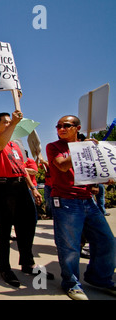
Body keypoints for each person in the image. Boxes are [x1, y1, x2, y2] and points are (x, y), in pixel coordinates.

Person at [46, 115, 115, 300]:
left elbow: (92, 173)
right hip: (66, 201)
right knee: (70, 246)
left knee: (106, 241)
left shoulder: (89, 146)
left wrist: (105, 177)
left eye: (66, 125)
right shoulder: (54, 147)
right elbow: (61, 166)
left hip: (87, 200)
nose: (61, 128)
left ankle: (100, 278)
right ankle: (71, 283)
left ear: (78, 128)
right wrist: (83, 149)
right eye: (58, 125)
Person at [0, 111, 52, 288]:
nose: (9, 124)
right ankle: (5, 268)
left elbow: (21, 168)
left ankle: (27, 263)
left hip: (22, 187)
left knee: (27, 226)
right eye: (6, 122)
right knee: (4, 231)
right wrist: (14, 123)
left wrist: (32, 188)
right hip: (2, 188)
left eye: (11, 122)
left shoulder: (16, 146)